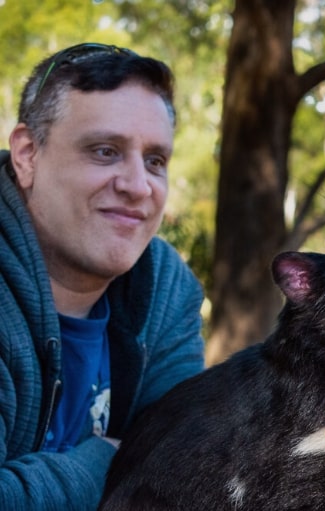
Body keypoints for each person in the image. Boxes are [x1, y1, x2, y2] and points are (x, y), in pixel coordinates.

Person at [0, 43, 205, 510]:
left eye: (155, 161)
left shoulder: (165, 292)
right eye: (105, 151)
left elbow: (181, 467)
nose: (138, 186)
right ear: (28, 154)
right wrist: (102, 462)